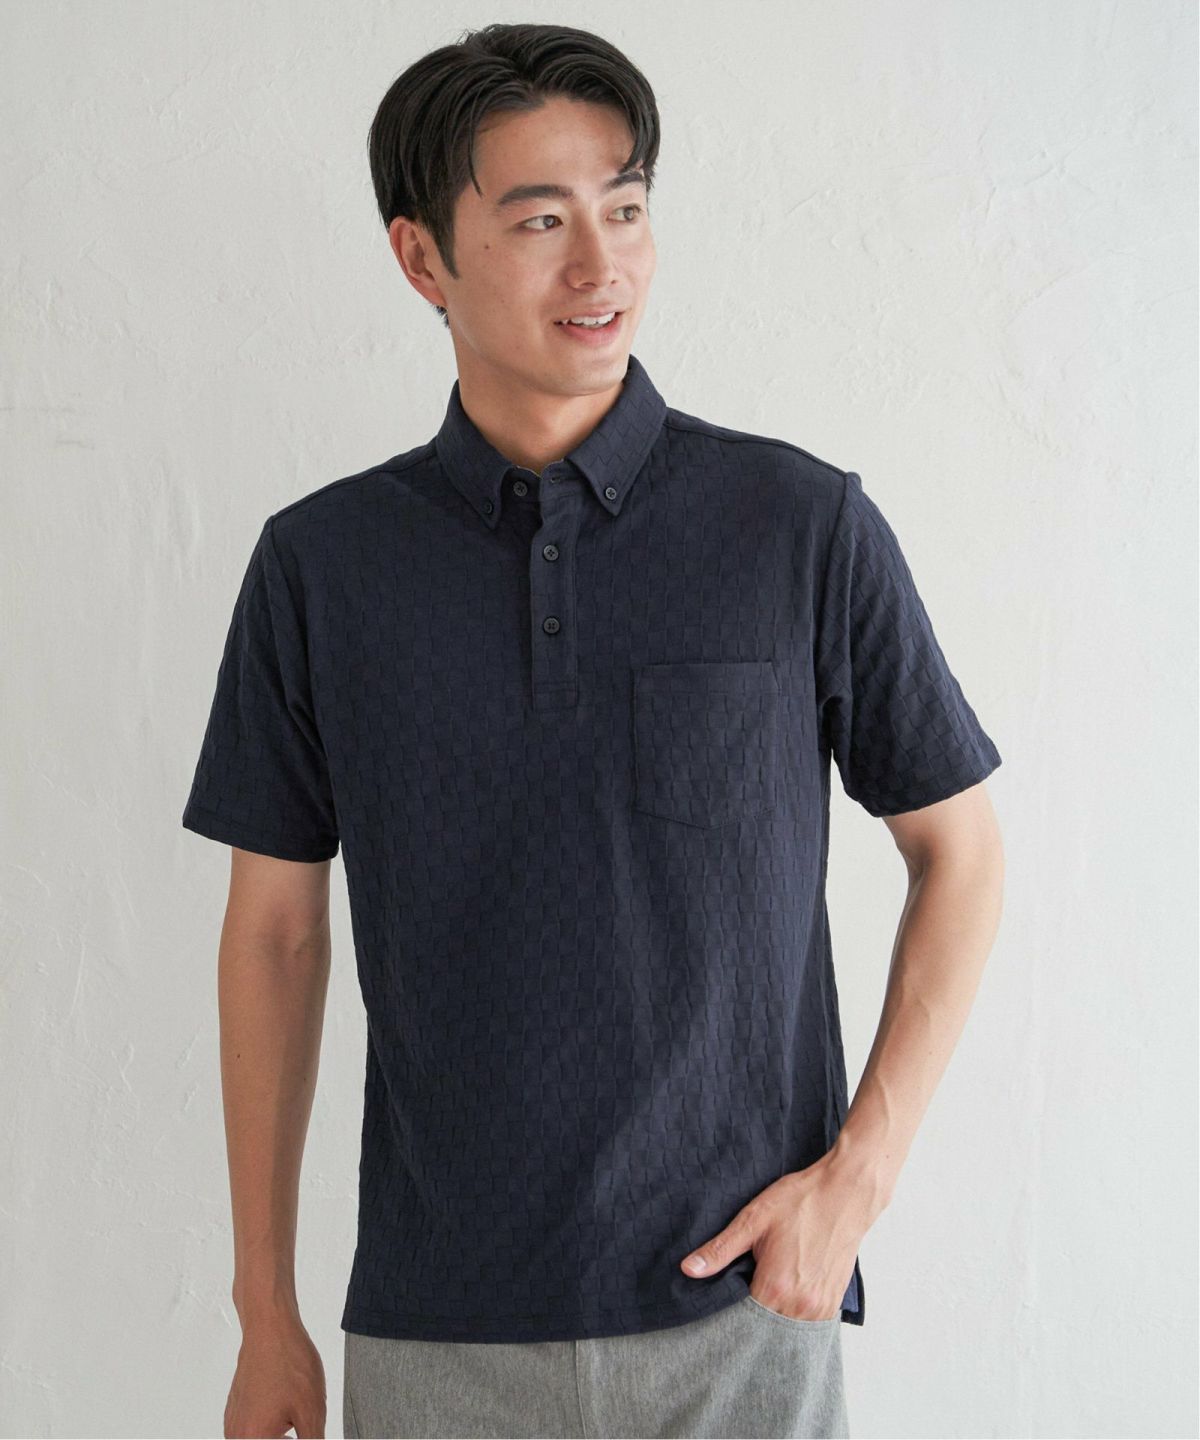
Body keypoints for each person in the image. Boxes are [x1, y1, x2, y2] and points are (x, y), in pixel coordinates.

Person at [181, 21, 1005, 1440]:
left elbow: (963, 854)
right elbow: (273, 936)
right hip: (436, 1336)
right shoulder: (323, 567)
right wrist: (266, 1313)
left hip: (741, 1319)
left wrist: (856, 1186)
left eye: (624, 209)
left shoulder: (798, 526)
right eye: (539, 221)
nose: (600, 265)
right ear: (421, 258)